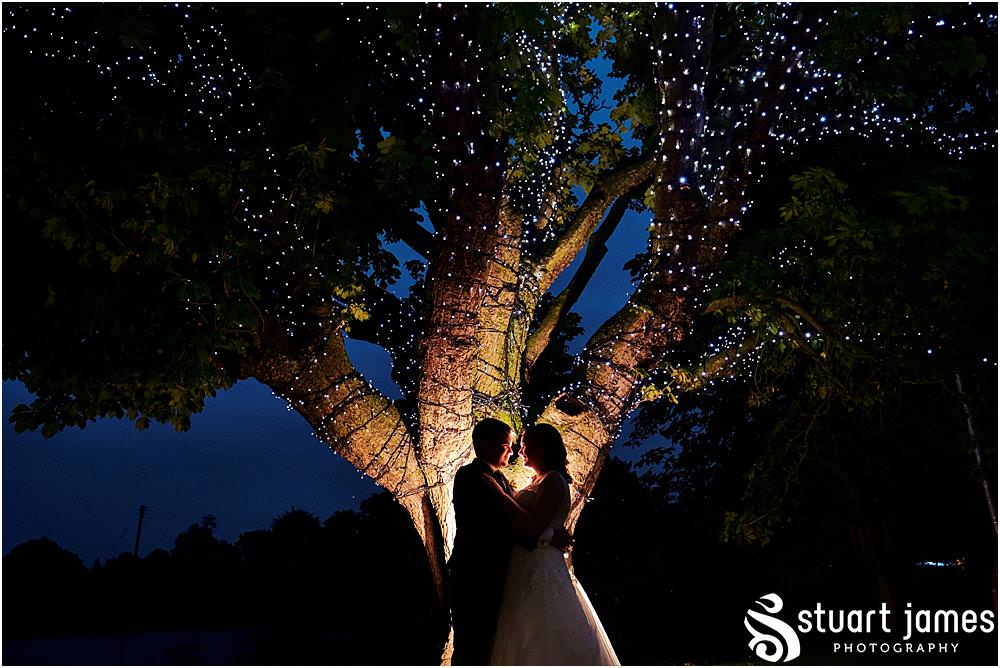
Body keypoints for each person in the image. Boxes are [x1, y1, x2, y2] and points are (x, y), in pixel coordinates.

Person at [485, 423, 621, 666]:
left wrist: (501, 496)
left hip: (540, 565)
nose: (521, 451)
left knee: (545, 629)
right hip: (523, 564)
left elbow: (534, 526)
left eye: (526, 445)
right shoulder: (537, 479)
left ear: (542, 446)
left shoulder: (554, 480)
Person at [449, 418, 520, 666]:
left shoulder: (499, 479)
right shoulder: (471, 476)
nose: (511, 450)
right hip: (475, 575)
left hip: (496, 575)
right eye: (506, 444)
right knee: (472, 646)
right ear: (485, 444)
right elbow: (496, 523)